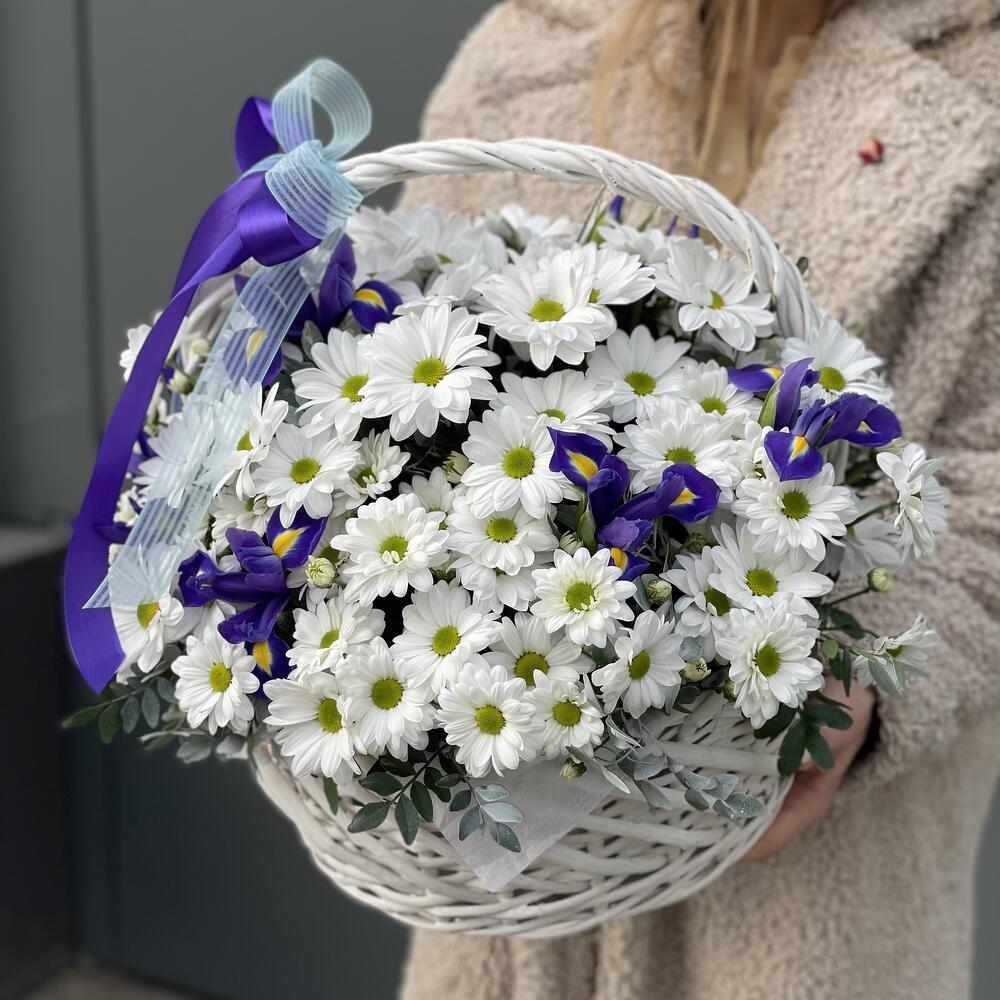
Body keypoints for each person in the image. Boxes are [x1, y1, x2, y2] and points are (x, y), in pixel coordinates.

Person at [395, 1, 1000, 998]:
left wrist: (871, 678)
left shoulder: (976, 70)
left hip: (815, 884)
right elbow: (400, 379)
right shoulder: (530, 51)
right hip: (519, 871)